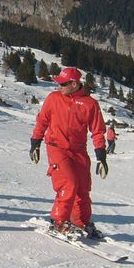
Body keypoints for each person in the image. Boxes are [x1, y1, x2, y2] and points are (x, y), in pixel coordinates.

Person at [30, 66, 108, 239]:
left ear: (74, 84)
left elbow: (97, 131)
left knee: (82, 187)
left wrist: (101, 155)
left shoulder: (90, 104)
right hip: (57, 147)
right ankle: (58, 221)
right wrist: (35, 142)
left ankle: (81, 222)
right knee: (68, 183)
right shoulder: (54, 99)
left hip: (79, 151)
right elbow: (42, 120)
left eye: (63, 84)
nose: (59, 87)